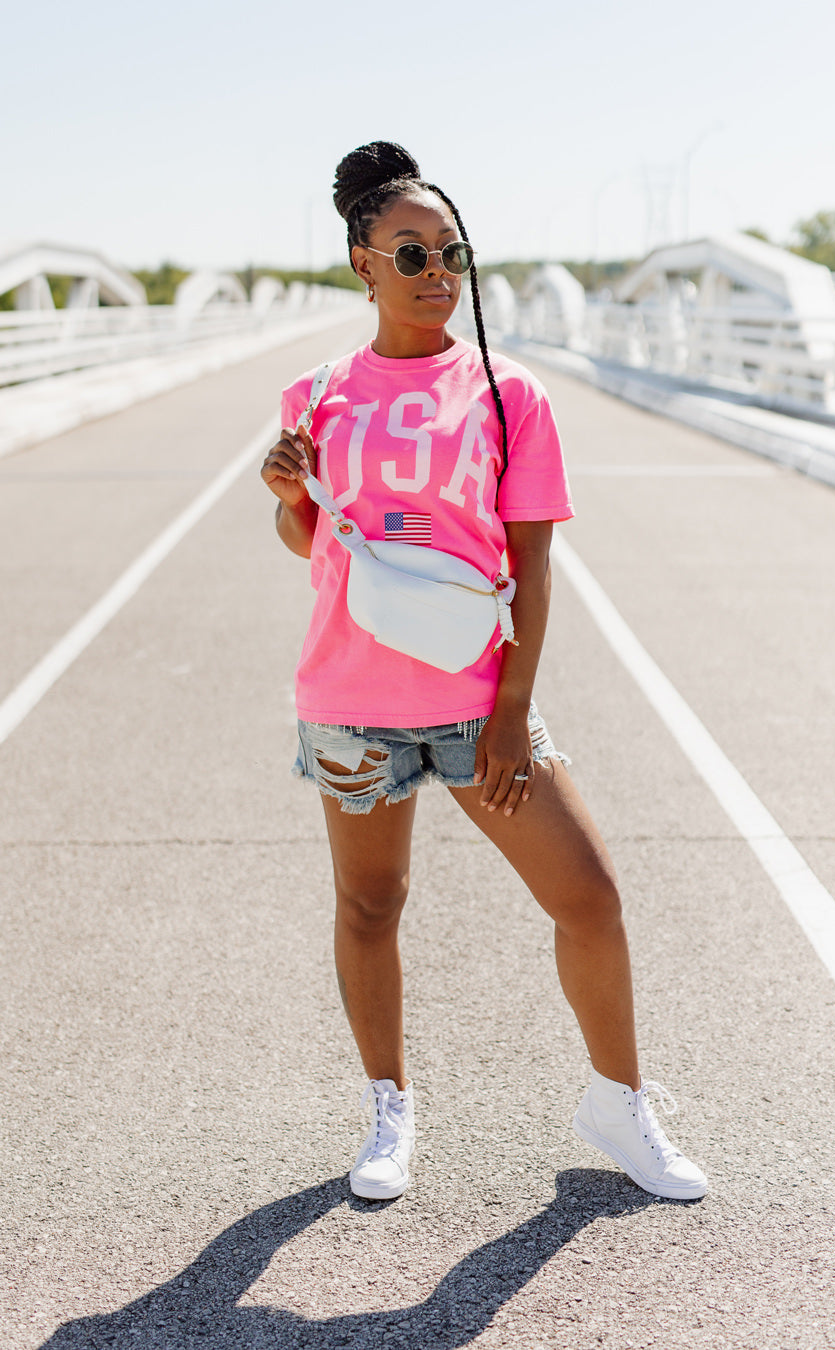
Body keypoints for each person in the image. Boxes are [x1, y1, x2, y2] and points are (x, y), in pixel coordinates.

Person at [260, 142, 707, 1203]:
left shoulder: (510, 394)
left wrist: (510, 713)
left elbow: (534, 562)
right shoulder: (319, 391)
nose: (437, 272)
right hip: (350, 698)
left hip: (474, 701)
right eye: (411, 252)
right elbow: (316, 546)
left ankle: (619, 1104)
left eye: (452, 252)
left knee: (590, 897)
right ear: (362, 263)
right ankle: (389, 1111)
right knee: (371, 904)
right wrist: (291, 497)